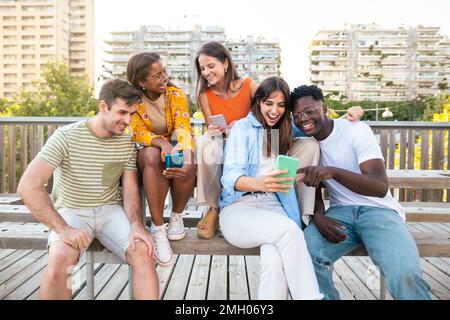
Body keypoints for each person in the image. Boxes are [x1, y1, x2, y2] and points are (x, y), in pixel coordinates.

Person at [16, 79, 159, 300]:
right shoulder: (66, 136)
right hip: (72, 211)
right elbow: (28, 186)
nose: (127, 121)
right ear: (103, 107)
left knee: (143, 252)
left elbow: (130, 191)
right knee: (60, 261)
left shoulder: (126, 141)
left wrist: (137, 225)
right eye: (122, 112)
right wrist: (63, 229)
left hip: (110, 211)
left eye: (132, 114)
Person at [291, 84, 432, 300]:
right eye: (298, 115)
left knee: (405, 274)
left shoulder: (355, 130)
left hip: (379, 211)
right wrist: (318, 216)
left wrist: (333, 172)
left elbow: (379, 186)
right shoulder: (306, 142)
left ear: (325, 109)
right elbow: (312, 187)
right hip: (340, 213)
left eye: (310, 111)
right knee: (306, 256)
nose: (304, 118)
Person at [219, 77, 323, 300]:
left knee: (274, 259)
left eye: (281, 105)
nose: (275, 110)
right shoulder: (242, 128)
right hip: (239, 208)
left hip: (274, 207)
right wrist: (260, 183)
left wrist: (348, 117)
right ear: (258, 102)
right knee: (289, 231)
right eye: (269, 103)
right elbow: (230, 178)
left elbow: (314, 125)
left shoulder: (283, 128)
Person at [126, 52, 196, 267]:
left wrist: (184, 150)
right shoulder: (132, 100)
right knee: (152, 154)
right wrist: (161, 143)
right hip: (146, 153)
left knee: (189, 157)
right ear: (142, 82)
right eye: (157, 75)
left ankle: (176, 216)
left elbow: (183, 128)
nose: (164, 77)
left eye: (164, 72)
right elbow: (137, 131)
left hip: (171, 147)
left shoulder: (176, 95)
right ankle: (158, 228)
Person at [193, 41, 258, 238]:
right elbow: (210, 126)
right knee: (205, 141)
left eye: (210, 66)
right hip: (224, 143)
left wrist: (238, 127)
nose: (206, 72)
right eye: (202, 68)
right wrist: (214, 130)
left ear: (226, 63)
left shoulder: (248, 85)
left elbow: (264, 116)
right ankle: (213, 208)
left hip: (248, 143)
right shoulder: (204, 95)